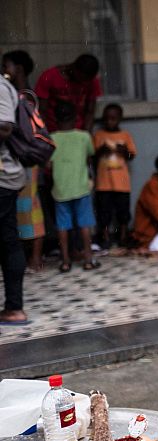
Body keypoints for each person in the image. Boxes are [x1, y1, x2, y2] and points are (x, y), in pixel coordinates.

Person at [3, 50, 45, 273]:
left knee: (28, 206)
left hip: (24, 160)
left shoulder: (25, 95)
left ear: (17, 69)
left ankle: (35, 257)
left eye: (5, 66)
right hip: (16, 159)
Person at [48, 102, 99, 272]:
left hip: (60, 189)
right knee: (84, 225)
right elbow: (90, 155)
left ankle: (65, 261)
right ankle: (88, 259)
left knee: (63, 226)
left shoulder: (52, 138)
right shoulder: (84, 137)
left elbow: (47, 164)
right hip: (81, 187)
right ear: (76, 118)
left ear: (55, 119)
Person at [0, 57, 29, 326]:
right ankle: (13, 307)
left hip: (2, 177)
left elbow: (4, 127)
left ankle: (14, 308)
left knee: (8, 242)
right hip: (6, 177)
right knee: (7, 240)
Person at [93, 103, 136, 249]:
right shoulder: (99, 135)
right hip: (103, 183)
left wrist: (124, 150)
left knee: (123, 212)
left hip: (122, 183)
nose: (110, 121)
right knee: (104, 212)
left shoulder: (125, 135)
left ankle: (123, 236)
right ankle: (105, 236)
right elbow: (93, 156)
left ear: (119, 119)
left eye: (113, 118)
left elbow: (131, 155)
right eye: (107, 118)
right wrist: (101, 150)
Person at [34, 54, 102, 133]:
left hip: (77, 131)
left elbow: (90, 111)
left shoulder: (92, 81)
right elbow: (42, 110)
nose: (83, 83)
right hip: (52, 130)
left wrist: (86, 134)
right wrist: (44, 133)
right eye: (81, 79)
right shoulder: (49, 76)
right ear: (74, 68)